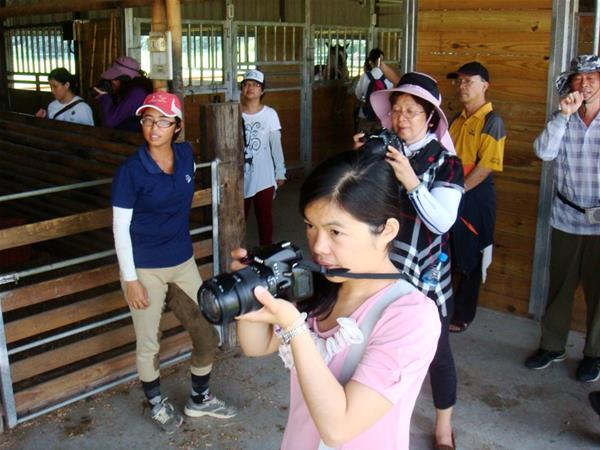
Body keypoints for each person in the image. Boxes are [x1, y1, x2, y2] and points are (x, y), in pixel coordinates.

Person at [235, 149, 441, 450]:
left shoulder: (411, 316)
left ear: (386, 230)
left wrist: (294, 326)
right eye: (310, 226)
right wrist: (249, 290)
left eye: (335, 231)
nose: (319, 246)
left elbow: (339, 428)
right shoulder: (321, 287)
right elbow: (256, 346)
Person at [111, 91, 237, 434]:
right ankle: (155, 403)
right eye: (148, 120)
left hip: (182, 261)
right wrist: (131, 278)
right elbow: (120, 227)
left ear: (177, 126)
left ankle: (199, 399)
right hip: (144, 268)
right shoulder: (131, 171)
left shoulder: (185, 157)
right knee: (148, 341)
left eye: (163, 121)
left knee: (207, 330)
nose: (154, 128)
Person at [356, 72, 464, 449]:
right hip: (381, 266)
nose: (401, 118)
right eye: (397, 110)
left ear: (431, 117)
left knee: (436, 351)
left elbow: (442, 221)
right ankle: (375, 412)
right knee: (377, 340)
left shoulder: (448, 163)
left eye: (412, 111)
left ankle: (442, 428)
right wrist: (362, 161)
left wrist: (411, 181)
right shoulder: (386, 149)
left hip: (425, 270)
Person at [525, 55, 600, 383]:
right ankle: (553, 346)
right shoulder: (563, 118)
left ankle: (594, 354)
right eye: (578, 78)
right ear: (570, 84)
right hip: (566, 217)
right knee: (560, 288)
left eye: (592, 77)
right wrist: (562, 115)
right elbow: (543, 152)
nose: (584, 83)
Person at [445, 62, 506, 333]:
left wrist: (456, 191)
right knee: (448, 255)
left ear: (485, 85)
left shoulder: (492, 121)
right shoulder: (457, 119)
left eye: (469, 81)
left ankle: (463, 315)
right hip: (453, 194)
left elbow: (485, 168)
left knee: (470, 259)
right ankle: (444, 310)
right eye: (459, 81)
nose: (462, 86)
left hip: (474, 197)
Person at [240, 69, 286, 246]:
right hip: (241, 175)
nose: (250, 88)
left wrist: (280, 170)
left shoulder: (270, 114)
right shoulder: (235, 112)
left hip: (264, 176)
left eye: (255, 85)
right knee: (238, 217)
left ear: (262, 91)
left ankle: (266, 252)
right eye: (246, 84)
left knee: (264, 217)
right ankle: (237, 253)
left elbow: (276, 144)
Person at [94, 56, 153, 131]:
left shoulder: (137, 93)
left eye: (116, 78)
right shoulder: (130, 90)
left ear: (125, 79)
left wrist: (104, 97)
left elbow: (110, 122)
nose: (112, 81)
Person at [353, 48, 394, 132]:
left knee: (363, 139)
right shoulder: (389, 77)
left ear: (370, 62)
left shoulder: (365, 76)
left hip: (366, 114)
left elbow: (358, 94)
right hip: (384, 115)